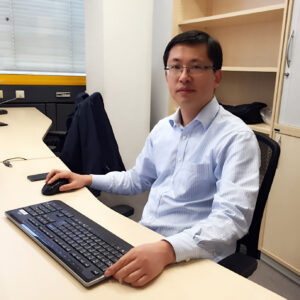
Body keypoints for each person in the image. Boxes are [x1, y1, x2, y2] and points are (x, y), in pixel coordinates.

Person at [46, 30, 260, 287]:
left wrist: (167, 249)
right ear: (167, 75)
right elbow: (136, 179)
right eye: (175, 67)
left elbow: (230, 220)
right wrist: (87, 178)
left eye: (196, 67)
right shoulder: (163, 129)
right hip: (147, 240)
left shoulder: (236, 137)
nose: (183, 76)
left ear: (217, 76)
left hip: (195, 257)